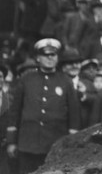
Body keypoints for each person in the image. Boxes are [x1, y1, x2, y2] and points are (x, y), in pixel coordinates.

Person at [6, 38, 80, 174]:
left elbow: (74, 115)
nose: (50, 58)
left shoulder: (66, 82)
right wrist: (11, 141)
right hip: (28, 143)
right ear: (38, 58)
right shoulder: (26, 79)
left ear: (57, 58)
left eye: (53, 55)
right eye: (46, 55)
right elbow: (15, 112)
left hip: (55, 144)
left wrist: (71, 144)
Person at [59, 49, 96, 129]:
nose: (74, 66)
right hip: (63, 128)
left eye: (77, 63)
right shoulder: (58, 84)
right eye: (70, 63)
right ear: (63, 67)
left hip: (85, 129)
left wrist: (85, 96)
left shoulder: (88, 83)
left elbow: (96, 100)